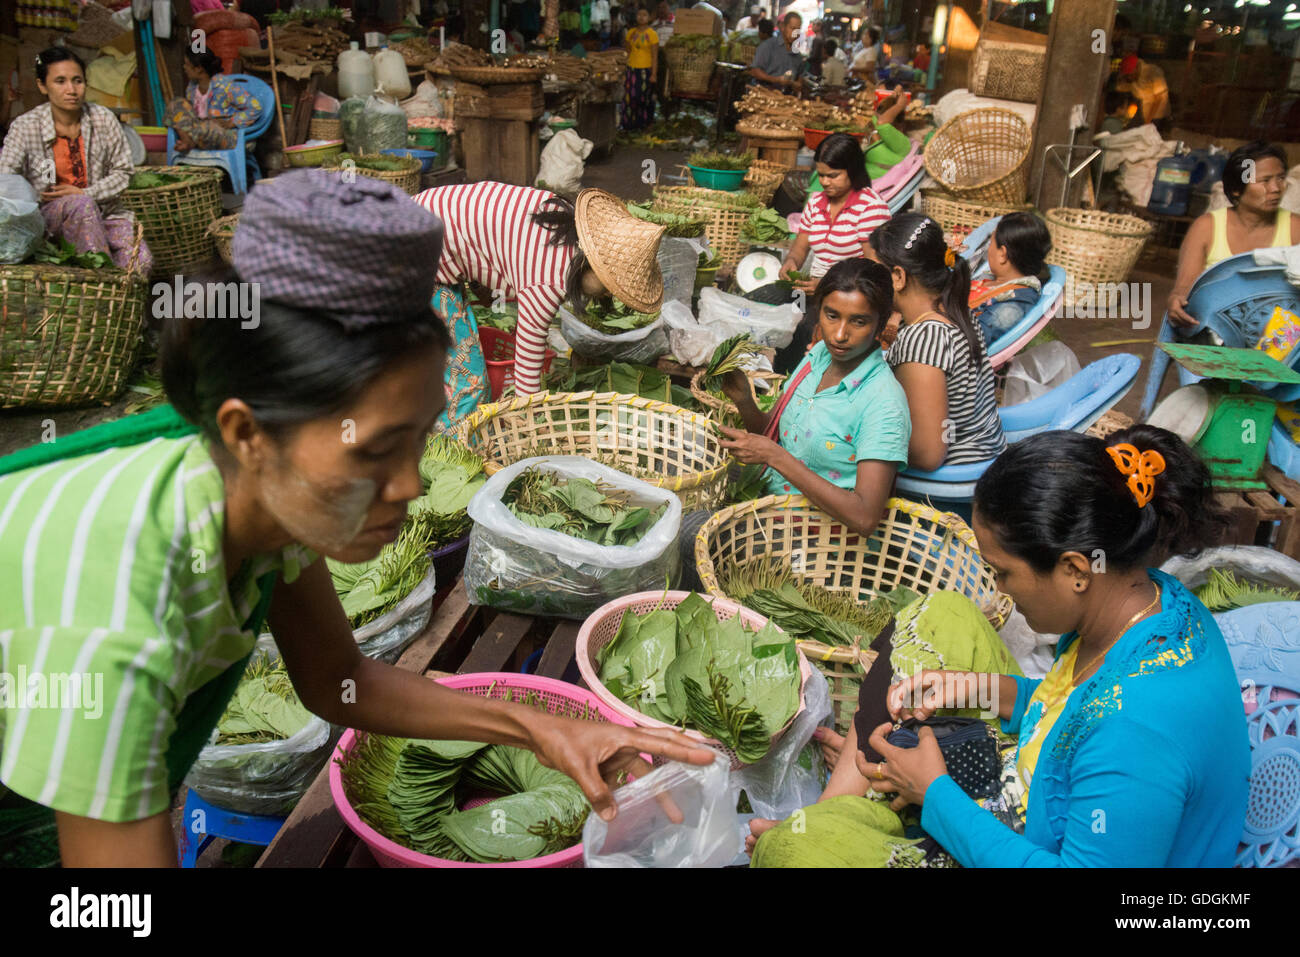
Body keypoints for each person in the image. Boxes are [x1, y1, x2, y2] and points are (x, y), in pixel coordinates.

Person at [0, 170, 711, 868]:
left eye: (420, 436)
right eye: (372, 450)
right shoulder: (115, 610)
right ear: (249, 434)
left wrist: (546, 729)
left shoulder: (259, 501)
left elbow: (340, 680)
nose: (409, 483)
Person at [751, 425, 1249, 867]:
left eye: (1004, 572)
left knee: (794, 852)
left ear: (1075, 570)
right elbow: (1067, 706)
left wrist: (936, 794)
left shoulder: (1134, 732)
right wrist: (980, 689)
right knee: (941, 614)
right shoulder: (1140, 597)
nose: (999, 589)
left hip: (1042, 842)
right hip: (1041, 790)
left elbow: (1100, 729)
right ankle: (843, 808)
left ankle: (846, 817)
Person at [413, 183, 665, 406]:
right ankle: (451, 440)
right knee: (470, 380)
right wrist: (529, 418)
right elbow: (527, 358)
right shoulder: (550, 278)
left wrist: (482, 287)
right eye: (609, 287)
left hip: (426, 218)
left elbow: (490, 240)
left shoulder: (563, 219)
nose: (607, 295)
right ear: (591, 264)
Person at [716, 259, 909, 537]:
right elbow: (775, 437)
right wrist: (745, 401)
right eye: (832, 316)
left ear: (880, 324)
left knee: (691, 535)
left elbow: (865, 518)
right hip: (768, 507)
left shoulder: (883, 401)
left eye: (859, 321)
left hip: (816, 540)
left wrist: (776, 457)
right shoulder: (817, 358)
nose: (840, 335)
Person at [869, 213, 1006, 471]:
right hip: (985, 458)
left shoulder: (922, 339)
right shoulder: (954, 311)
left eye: (874, 272)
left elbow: (927, 454)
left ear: (898, 276)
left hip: (949, 481)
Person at [0, 48, 151, 272]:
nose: (71, 90)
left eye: (77, 81)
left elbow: (124, 172)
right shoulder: (26, 126)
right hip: (48, 219)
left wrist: (86, 193)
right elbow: (6, 178)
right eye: (60, 81)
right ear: (43, 85)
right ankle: (101, 283)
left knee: (140, 262)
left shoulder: (103, 119)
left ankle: (121, 300)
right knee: (80, 207)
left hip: (106, 213)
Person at [1168, 141, 1300, 328]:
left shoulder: (1295, 228)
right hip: (1215, 328)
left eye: (1280, 178)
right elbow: (1184, 287)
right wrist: (1177, 300)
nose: (1276, 188)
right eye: (1265, 181)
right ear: (1237, 189)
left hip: (1276, 335)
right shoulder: (1207, 227)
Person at [969, 211, 1052, 347]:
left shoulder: (1013, 305)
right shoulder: (996, 280)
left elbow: (972, 340)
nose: (988, 250)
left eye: (991, 244)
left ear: (1002, 255)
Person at [166, 47, 263, 154]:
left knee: (208, 127)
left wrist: (232, 122)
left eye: (187, 64)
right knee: (176, 103)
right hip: (200, 134)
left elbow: (256, 107)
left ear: (198, 68)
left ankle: (190, 143)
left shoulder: (224, 86)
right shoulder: (192, 87)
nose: (184, 68)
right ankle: (187, 141)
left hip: (227, 136)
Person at [622, 5, 658, 131]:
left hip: (645, 70)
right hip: (631, 69)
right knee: (629, 98)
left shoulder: (652, 34)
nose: (641, 17)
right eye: (639, 15)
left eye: (644, 15)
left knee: (643, 97)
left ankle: (644, 124)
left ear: (649, 17)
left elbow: (655, 56)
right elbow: (627, 51)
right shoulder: (631, 33)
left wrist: (654, 74)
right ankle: (629, 125)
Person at [750, 11, 805, 91]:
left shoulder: (797, 55)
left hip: (784, 99)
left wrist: (797, 84)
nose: (795, 33)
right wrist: (776, 79)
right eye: (792, 28)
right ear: (783, 27)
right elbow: (755, 71)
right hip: (763, 94)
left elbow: (800, 79)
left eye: (798, 30)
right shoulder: (768, 46)